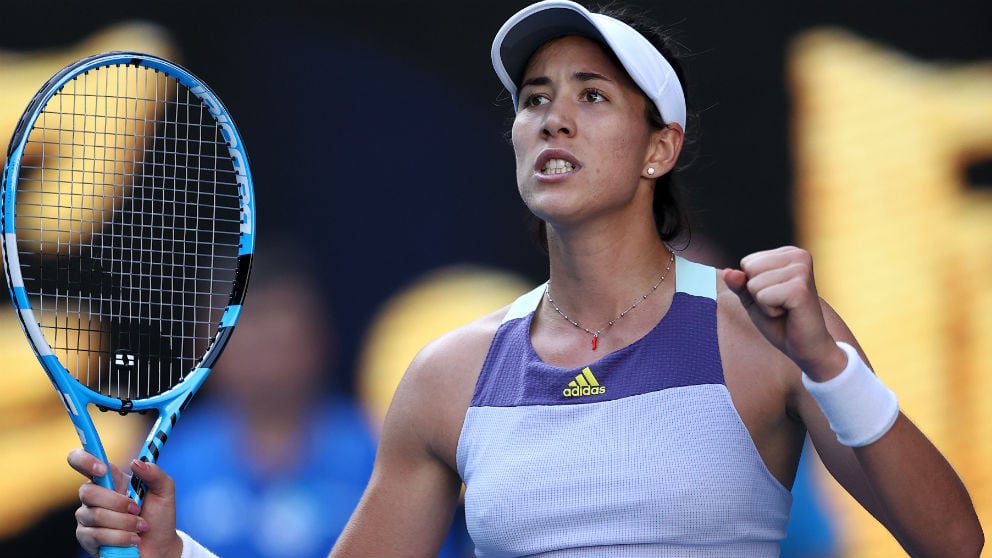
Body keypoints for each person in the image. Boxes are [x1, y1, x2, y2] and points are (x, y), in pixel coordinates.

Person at [69, 1, 984, 557]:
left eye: (592, 97)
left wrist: (831, 364)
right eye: (535, 101)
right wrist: (173, 553)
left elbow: (953, 542)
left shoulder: (768, 330)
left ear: (660, 147)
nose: (554, 121)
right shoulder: (448, 376)